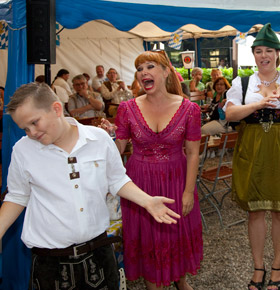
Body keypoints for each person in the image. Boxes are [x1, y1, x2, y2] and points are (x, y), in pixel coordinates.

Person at [0, 82, 180, 289]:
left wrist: (147, 201)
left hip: (98, 252)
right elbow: (17, 196)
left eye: (34, 122)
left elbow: (117, 179)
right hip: (49, 259)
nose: (31, 132)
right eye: (25, 128)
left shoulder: (98, 139)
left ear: (56, 109)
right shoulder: (23, 150)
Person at [100, 50, 203, 289]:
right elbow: (118, 150)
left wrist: (188, 191)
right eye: (139, 69)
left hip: (176, 180)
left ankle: (180, 279)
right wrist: (107, 139)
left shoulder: (190, 109)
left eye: (150, 67)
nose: (143, 72)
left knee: (176, 231)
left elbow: (194, 153)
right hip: (139, 182)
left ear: (166, 72)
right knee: (147, 236)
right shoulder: (126, 108)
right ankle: (152, 284)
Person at [224, 23, 280, 290]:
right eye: (259, 51)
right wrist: (257, 104)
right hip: (252, 149)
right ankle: (258, 265)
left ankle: (277, 266)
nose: (264, 55)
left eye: (269, 51)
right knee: (255, 212)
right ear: (254, 55)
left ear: (277, 53)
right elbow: (229, 114)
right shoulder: (243, 82)